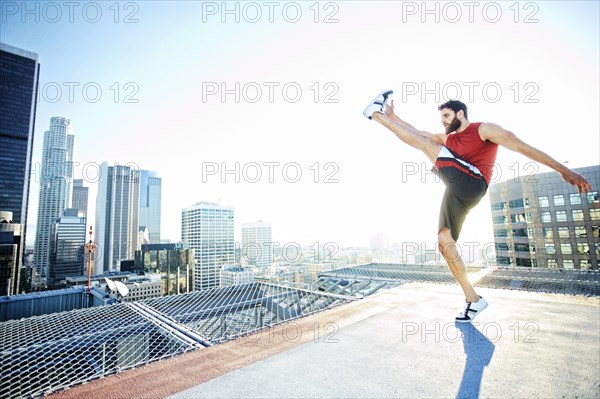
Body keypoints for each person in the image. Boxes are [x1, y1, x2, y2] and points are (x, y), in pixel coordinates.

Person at [363, 90, 592, 322]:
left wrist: (563, 170)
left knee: (426, 144)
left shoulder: (484, 130)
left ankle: (374, 115)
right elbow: (416, 133)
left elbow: (521, 146)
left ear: (460, 113)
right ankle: (473, 299)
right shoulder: (448, 140)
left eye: (446, 115)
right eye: (440, 117)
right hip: (456, 190)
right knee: (444, 242)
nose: (442, 121)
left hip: (474, 183)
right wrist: (394, 116)